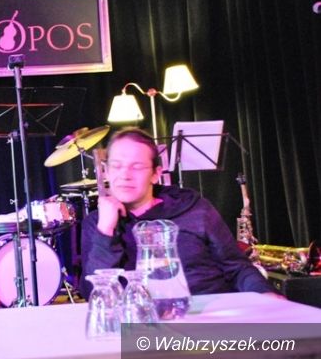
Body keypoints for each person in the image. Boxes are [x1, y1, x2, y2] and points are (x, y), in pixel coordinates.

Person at [80, 127, 278, 299]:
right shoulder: (97, 223)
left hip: (211, 312)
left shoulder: (195, 208)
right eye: (116, 166)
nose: (125, 175)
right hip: (142, 321)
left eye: (137, 166)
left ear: (156, 174)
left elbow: (237, 267)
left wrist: (267, 295)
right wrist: (106, 230)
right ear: (106, 171)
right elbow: (94, 292)